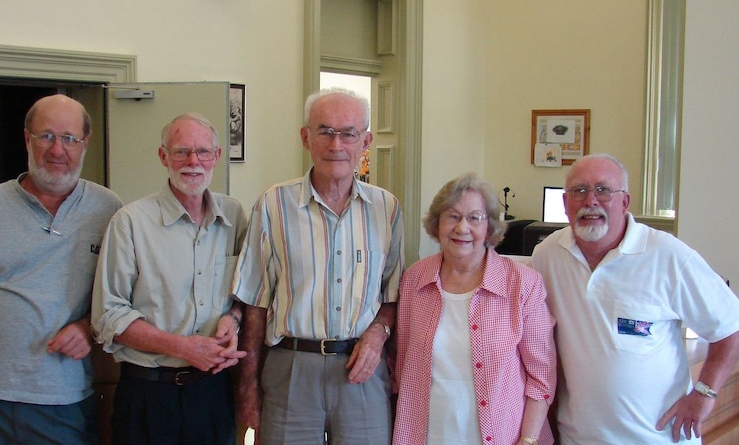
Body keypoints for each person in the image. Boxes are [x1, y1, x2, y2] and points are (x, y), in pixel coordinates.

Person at [0, 94, 122, 445]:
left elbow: (119, 297)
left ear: (85, 144)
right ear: (27, 139)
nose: (57, 150)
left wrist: (87, 327)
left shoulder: (109, 209)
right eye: (46, 136)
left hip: (62, 401)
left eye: (69, 138)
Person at [531, 153, 739, 444]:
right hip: (579, 437)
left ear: (625, 202)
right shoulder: (547, 255)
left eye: (603, 190)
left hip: (658, 438)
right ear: (565, 203)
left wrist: (705, 393)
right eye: (579, 191)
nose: (591, 201)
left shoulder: (668, 256)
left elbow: (732, 325)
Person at [232, 88, 404, 444]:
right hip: (291, 369)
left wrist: (378, 333)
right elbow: (255, 304)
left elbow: (393, 294)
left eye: (348, 133)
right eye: (324, 131)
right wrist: (247, 389)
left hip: (362, 370)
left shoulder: (386, 209)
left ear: (366, 141)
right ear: (305, 137)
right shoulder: (273, 205)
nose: (336, 144)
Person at [91, 113, 247, 445]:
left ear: (217, 157)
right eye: (181, 152)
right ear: (164, 157)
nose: (193, 162)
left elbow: (245, 294)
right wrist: (183, 348)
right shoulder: (130, 222)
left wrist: (233, 319)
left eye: (204, 152)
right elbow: (108, 315)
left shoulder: (233, 217)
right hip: (148, 394)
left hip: (213, 393)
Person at [393, 173, 556, 445]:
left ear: (490, 227)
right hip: (423, 434)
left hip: (505, 436)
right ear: (437, 223)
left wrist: (528, 439)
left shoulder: (523, 284)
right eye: (452, 216)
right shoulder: (414, 279)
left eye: (475, 218)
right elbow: (399, 365)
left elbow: (542, 377)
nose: (462, 228)